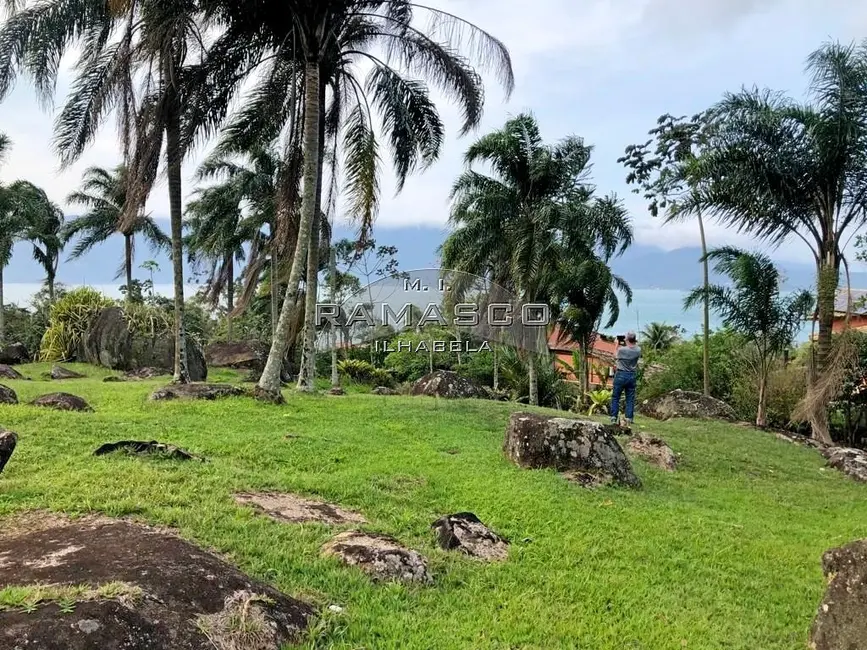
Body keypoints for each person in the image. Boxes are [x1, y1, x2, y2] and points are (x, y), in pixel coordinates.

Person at [610, 331, 641, 427]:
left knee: (616, 397)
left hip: (621, 374)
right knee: (630, 398)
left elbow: (614, 356)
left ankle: (614, 417)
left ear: (626, 339)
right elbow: (634, 346)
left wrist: (616, 344)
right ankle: (629, 418)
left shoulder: (622, 350)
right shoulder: (638, 350)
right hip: (631, 375)